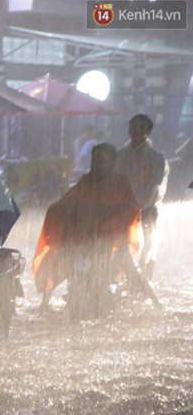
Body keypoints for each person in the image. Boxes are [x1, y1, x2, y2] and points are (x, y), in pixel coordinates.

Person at [33, 142, 144, 310]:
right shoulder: (86, 181)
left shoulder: (120, 182)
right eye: (96, 158)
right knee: (56, 257)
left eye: (103, 159)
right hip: (82, 238)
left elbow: (132, 208)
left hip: (110, 240)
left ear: (112, 162)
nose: (98, 163)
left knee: (131, 268)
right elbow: (67, 201)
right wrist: (55, 208)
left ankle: (151, 303)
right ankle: (44, 302)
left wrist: (108, 217)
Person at [115, 114, 169, 279]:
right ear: (129, 129)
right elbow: (114, 179)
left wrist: (140, 202)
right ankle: (124, 278)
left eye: (141, 127)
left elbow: (155, 183)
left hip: (147, 207)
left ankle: (145, 280)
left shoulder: (156, 157)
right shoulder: (119, 155)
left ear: (148, 131)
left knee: (148, 244)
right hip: (122, 207)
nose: (136, 130)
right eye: (133, 126)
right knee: (121, 243)